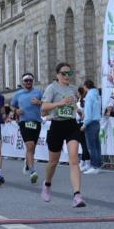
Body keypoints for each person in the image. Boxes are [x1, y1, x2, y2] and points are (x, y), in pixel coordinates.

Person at [40, 62, 86, 208]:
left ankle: (77, 195)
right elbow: (44, 107)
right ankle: (47, 184)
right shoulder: (51, 88)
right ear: (57, 75)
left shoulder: (73, 89)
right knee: (53, 162)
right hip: (57, 125)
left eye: (69, 73)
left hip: (71, 125)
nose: (67, 76)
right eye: (64, 73)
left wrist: (78, 111)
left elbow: (72, 105)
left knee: (73, 159)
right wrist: (60, 103)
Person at [10, 73, 44, 183]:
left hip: (36, 122)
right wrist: (15, 111)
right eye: (26, 80)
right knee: (29, 146)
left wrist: (39, 102)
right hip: (24, 122)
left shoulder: (39, 92)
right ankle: (33, 172)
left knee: (32, 148)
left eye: (30, 80)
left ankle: (27, 163)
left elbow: (47, 103)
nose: (28, 82)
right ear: (22, 82)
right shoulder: (18, 94)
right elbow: (12, 105)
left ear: (33, 81)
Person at [82, 79, 103, 174]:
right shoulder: (97, 95)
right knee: (97, 145)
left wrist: (84, 124)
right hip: (97, 121)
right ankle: (98, 165)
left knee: (92, 146)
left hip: (90, 122)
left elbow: (88, 112)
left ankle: (95, 166)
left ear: (86, 86)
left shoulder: (89, 96)